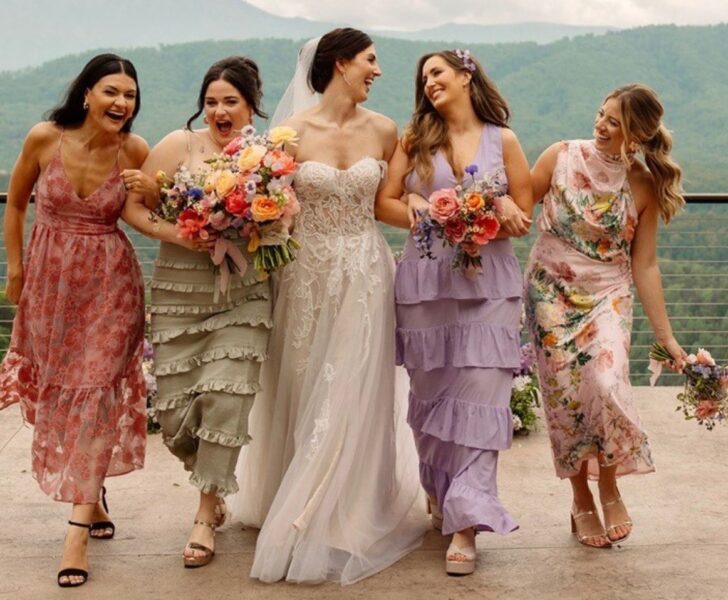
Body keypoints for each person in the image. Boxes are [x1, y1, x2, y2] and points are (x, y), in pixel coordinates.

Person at [229, 28, 427, 585]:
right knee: (303, 381)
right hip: (304, 273)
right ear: (341, 63)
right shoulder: (289, 134)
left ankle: (345, 509)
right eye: (370, 60)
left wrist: (416, 198)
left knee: (355, 385)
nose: (377, 70)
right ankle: (295, 499)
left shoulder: (385, 130)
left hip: (366, 271)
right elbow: (265, 207)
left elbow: (388, 202)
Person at [375, 49, 533, 575]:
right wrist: (418, 206)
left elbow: (523, 215)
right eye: (424, 78)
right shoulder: (414, 140)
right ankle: (442, 490)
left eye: (438, 72)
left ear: (466, 76)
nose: (429, 83)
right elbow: (383, 202)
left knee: (482, 395)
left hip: (490, 284)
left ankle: (467, 522)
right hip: (427, 286)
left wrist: (499, 206)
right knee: (434, 397)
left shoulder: (503, 140)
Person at [0, 53, 149, 587]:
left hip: (112, 287)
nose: (122, 102)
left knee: (97, 397)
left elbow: (145, 212)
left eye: (130, 95)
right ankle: (94, 497)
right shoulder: (45, 138)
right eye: (112, 91)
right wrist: (16, 268)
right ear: (86, 93)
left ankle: (76, 536)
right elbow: (16, 205)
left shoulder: (134, 150)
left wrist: (153, 190)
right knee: (60, 398)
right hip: (51, 286)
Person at [121, 56, 272, 568]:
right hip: (179, 293)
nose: (219, 111)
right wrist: (181, 233)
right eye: (211, 102)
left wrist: (264, 222)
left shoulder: (267, 159)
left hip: (245, 294)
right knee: (172, 416)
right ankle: (209, 477)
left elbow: (283, 222)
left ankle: (205, 514)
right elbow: (133, 206)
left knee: (225, 399)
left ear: (251, 105)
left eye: (230, 101)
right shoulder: (176, 145)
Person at [524, 83, 687, 548]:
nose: (601, 125)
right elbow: (518, 207)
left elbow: (645, 264)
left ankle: (610, 486)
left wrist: (667, 338)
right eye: (601, 114)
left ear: (637, 135)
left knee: (607, 382)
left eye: (614, 122)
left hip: (607, 293)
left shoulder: (643, 184)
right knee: (566, 399)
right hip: (550, 291)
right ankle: (581, 498)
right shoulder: (561, 155)